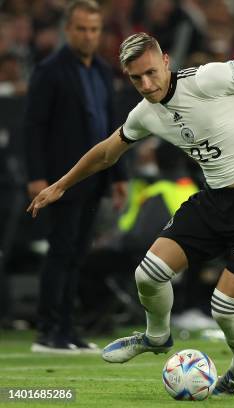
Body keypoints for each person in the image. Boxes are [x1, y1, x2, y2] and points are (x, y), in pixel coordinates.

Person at [27, 32, 234, 396]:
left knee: (224, 309)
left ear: (166, 62)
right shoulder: (145, 113)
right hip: (215, 199)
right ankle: (157, 336)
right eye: (135, 78)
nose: (146, 84)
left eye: (150, 73)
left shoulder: (206, 79)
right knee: (148, 275)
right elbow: (107, 152)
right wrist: (61, 185)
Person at [24, 0, 128, 354]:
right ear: (68, 30)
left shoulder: (101, 70)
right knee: (61, 252)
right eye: (82, 29)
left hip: (94, 178)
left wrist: (119, 175)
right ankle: (49, 331)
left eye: (94, 29)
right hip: (59, 179)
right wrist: (37, 176)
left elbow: (116, 129)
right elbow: (33, 128)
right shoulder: (49, 70)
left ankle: (68, 330)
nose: (88, 36)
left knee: (78, 255)